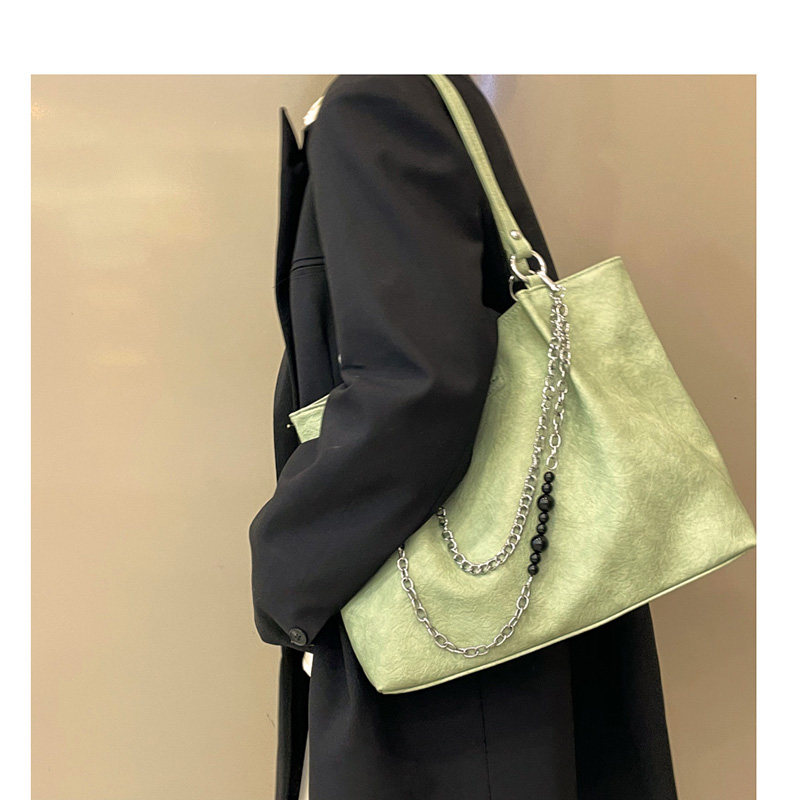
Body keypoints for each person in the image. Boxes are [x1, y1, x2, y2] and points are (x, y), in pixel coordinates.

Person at [249, 74, 678, 800]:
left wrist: (288, 577)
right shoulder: (422, 95)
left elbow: (418, 385)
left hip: (444, 652)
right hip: (486, 622)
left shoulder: (374, 104)